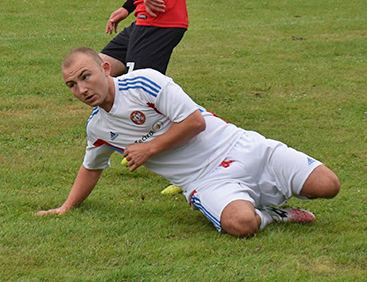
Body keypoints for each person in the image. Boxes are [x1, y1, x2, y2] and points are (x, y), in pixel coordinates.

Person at [37, 47, 341, 237]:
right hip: (204, 181)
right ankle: (272, 214)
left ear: (105, 69)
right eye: (72, 85)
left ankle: (262, 196)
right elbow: (91, 168)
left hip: (240, 145)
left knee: (329, 185)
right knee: (241, 225)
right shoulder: (98, 127)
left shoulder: (145, 82)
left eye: (85, 77)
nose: (81, 89)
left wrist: (150, 148)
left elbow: (195, 122)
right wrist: (66, 207)